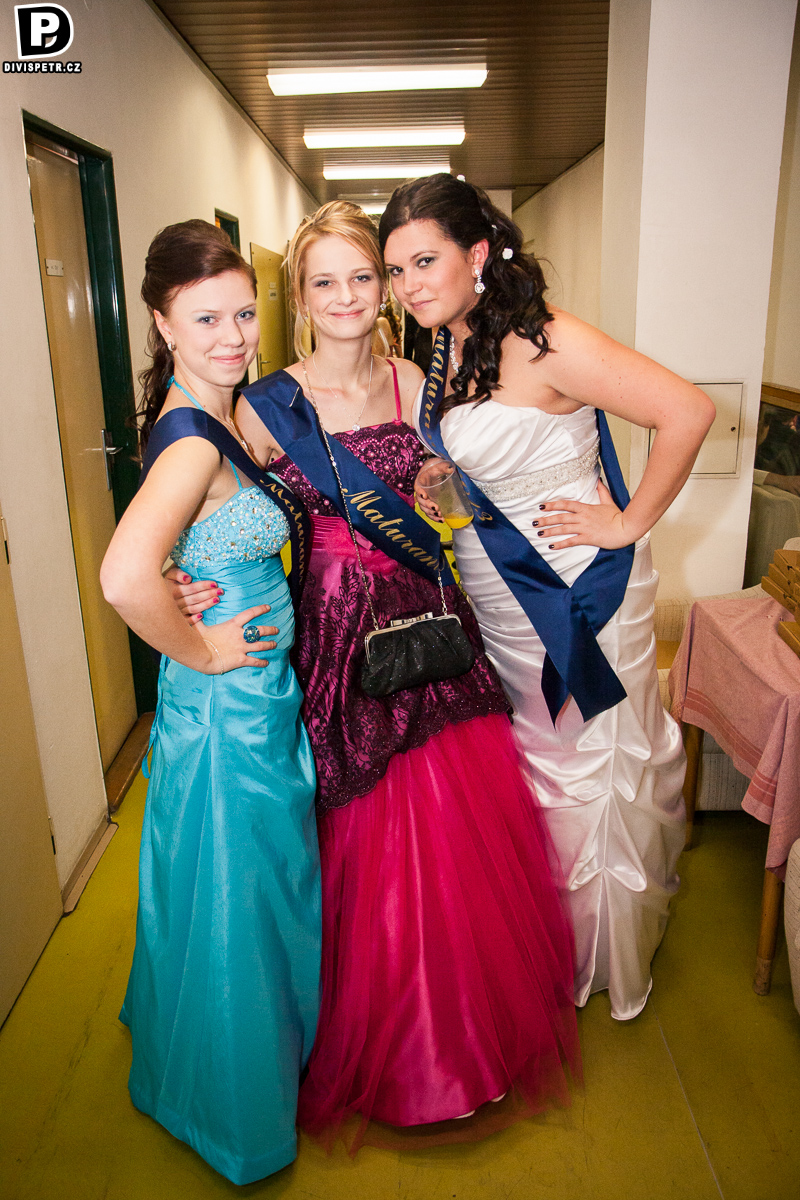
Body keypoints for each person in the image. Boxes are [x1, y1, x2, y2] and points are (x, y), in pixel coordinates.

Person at [169, 201, 579, 1140]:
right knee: (364, 847)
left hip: (428, 626)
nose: (347, 296)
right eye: (325, 281)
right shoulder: (262, 404)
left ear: (386, 288)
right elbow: (204, 504)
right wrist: (181, 578)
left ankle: (464, 1041)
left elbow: (451, 498)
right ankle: (382, 1049)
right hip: (332, 642)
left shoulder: (422, 384)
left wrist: (444, 495)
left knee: (456, 838)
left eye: (364, 276)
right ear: (300, 294)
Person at [380, 174, 716, 1022]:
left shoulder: (546, 337)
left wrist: (627, 522)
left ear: (477, 254)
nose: (408, 285)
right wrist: (445, 475)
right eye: (395, 270)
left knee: (588, 765)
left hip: (577, 589)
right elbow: (499, 449)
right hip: (498, 594)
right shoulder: (450, 344)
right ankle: (544, 935)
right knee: (536, 765)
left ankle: (597, 959)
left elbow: (687, 410)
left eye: (425, 261)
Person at [100, 220, 321, 1185]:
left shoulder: (203, 410)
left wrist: (187, 581)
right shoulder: (192, 441)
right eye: (205, 319)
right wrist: (204, 646)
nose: (233, 335)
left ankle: (203, 1052)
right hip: (232, 702)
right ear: (162, 322)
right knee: (240, 892)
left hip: (238, 697)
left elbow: (168, 547)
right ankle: (237, 1113)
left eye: (242, 312)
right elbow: (122, 577)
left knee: (217, 881)